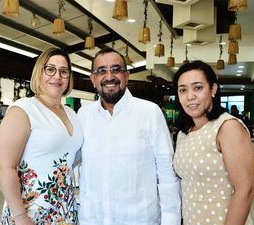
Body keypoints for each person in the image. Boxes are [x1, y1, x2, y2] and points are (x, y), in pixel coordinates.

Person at [77, 48, 181, 225]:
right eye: (101, 71)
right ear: (93, 79)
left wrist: (171, 220)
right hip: (93, 219)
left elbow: (166, 172)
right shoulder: (83, 115)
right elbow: (69, 159)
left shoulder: (149, 112)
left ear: (127, 75)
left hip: (139, 219)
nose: (109, 76)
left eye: (116, 69)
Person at [0, 47, 83, 225]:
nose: (57, 76)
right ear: (39, 72)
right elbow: (5, 167)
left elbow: (70, 158)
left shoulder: (72, 113)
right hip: (30, 213)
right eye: (50, 69)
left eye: (63, 71)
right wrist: (21, 217)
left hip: (64, 210)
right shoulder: (23, 109)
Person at [172, 60, 254, 225]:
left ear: (213, 89)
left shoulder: (227, 127)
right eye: (183, 90)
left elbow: (246, 190)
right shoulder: (184, 133)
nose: (190, 96)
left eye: (198, 88)